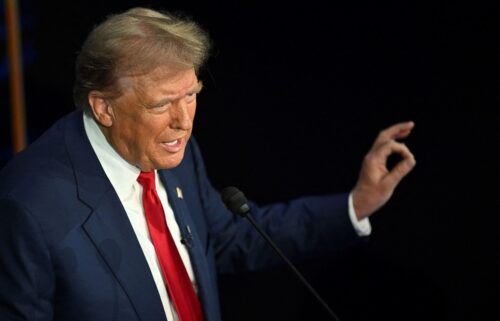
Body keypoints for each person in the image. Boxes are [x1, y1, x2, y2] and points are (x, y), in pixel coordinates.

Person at [0, 7, 416, 321]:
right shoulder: (29, 206)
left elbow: (229, 240)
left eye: (192, 95)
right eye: (162, 103)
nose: (183, 122)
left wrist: (357, 203)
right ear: (103, 108)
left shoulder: (172, 150)